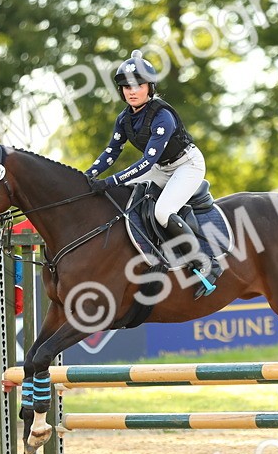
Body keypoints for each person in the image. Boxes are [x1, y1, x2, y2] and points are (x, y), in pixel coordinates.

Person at [84, 50, 220, 297]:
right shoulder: (124, 118)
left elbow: (147, 162)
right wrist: (88, 176)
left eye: (138, 85)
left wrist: (112, 179)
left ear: (150, 87)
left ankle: (206, 262)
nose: (131, 91)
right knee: (121, 194)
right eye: (126, 87)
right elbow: (111, 152)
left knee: (163, 211)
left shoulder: (163, 116)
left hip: (186, 165)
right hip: (161, 168)